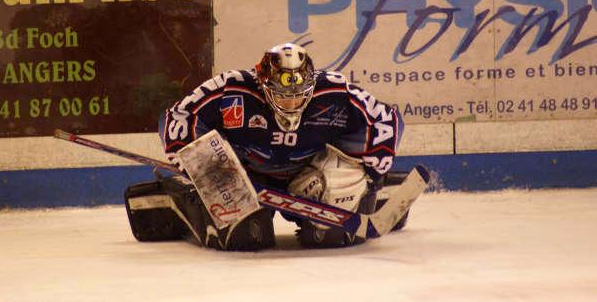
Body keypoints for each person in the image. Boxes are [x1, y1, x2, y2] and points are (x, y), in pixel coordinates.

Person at [125, 43, 405, 251]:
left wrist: (372, 174)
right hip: (243, 176)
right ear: (263, 84)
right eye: (282, 96)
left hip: (306, 175)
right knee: (245, 237)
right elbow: (177, 117)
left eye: (299, 96)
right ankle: (179, 199)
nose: (291, 103)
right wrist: (199, 166)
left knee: (330, 237)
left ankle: (369, 198)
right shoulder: (232, 88)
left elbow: (386, 120)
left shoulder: (334, 90)